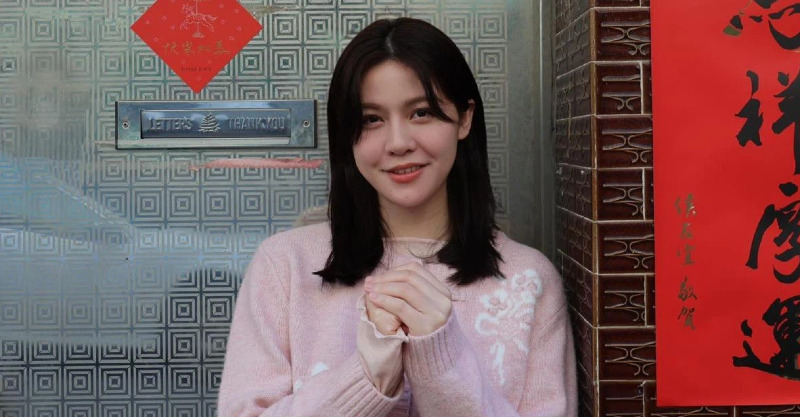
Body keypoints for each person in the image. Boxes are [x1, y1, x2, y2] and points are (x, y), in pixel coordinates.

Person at [217, 17, 576, 417]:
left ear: (464, 118)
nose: (399, 143)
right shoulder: (284, 266)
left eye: (421, 112)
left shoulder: (528, 280)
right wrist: (368, 376)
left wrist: (440, 362)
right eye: (371, 119)